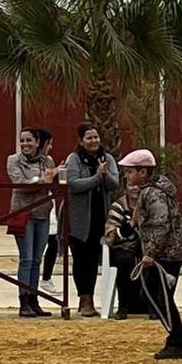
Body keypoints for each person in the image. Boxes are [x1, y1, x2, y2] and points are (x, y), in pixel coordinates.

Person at [106, 149, 182, 359]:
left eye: (130, 172)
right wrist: (128, 227)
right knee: (156, 294)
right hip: (169, 250)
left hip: (166, 253)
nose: (127, 176)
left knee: (156, 294)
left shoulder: (153, 193)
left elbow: (161, 224)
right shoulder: (151, 190)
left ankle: (177, 340)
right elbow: (143, 218)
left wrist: (150, 253)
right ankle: (177, 335)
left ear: (143, 172)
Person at [65, 121, 119, 318]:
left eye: (96, 137)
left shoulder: (108, 158)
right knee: (82, 259)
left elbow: (115, 184)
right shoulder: (74, 159)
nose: (94, 141)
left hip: (101, 217)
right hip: (80, 219)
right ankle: (84, 299)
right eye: (89, 137)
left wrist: (104, 175)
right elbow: (73, 184)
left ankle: (95, 300)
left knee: (96, 258)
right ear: (81, 141)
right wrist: (97, 177)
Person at [7, 127, 57, 317]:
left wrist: (53, 178)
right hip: (23, 213)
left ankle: (34, 299)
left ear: (37, 142)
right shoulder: (13, 160)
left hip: (42, 213)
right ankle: (23, 300)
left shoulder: (48, 160)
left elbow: (51, 184)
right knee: (26, 258)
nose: (25, 144)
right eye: (22, 140)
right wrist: (42, 181)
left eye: (29, 140)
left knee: (37, 259)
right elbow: (20, 183)